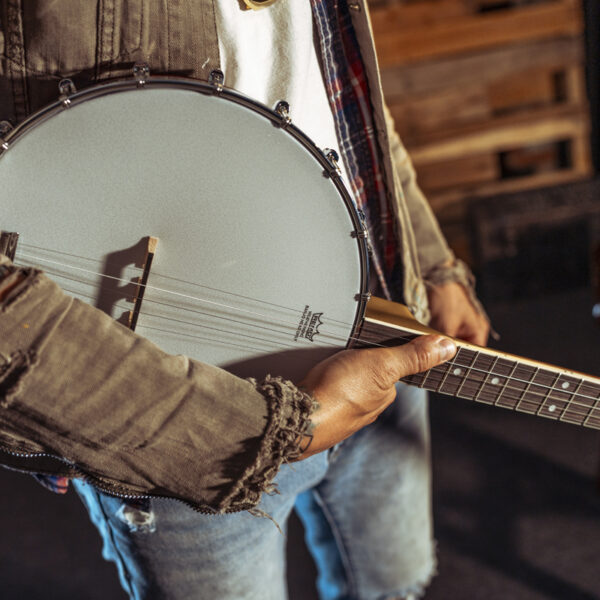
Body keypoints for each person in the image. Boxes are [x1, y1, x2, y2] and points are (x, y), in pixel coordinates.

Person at [0, 1, 489, 599]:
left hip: (381, 328)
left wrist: (432, 262)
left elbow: (348, 105)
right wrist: (258, 436)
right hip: (182, 413)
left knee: (396, 583)